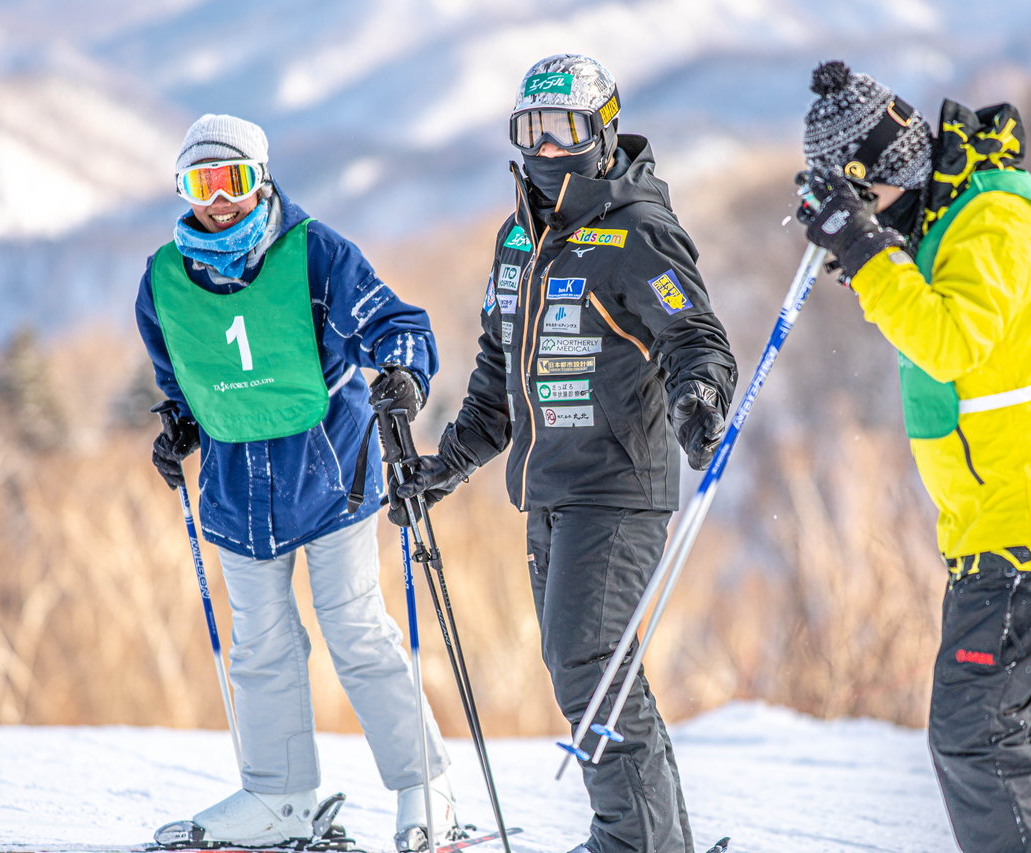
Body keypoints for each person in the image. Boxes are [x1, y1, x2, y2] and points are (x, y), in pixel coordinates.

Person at [391, 55, 737, 853]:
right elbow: (495, 374)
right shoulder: (520, 238)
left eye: (565, 130)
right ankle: (660, 841)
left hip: (617, 489)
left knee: (586, 661)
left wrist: (698, 398)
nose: (546, 149)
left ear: (602, 130)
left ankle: (632, 842)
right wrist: (445, 464)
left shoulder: (637, 230)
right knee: (588, 666)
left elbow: (696, 338)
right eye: (530, 131)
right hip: (548, 492)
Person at [795, 61, 1031, 852]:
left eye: (864, 203)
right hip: (1001, 524)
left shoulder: (992, 219)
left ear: (889, 179)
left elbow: (946, 340)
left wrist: (873, 257)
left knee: (977, 736)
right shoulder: (950, 225)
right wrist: (880, 255)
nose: (874, 222)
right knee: (987, 735)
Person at [134, 113, 461, 853]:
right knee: (259, 647)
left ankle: (424, 784)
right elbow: (179, 375)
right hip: (235, 495)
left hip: (330, 478)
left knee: (356, 631)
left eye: (234, 180)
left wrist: (404, 373)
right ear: (182, 189)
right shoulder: (163, 283)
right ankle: (279, 796)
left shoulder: (314, 255)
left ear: (262, 178)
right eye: (200, 183)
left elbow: (396, 321)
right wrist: (179, 425)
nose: (218, 200)